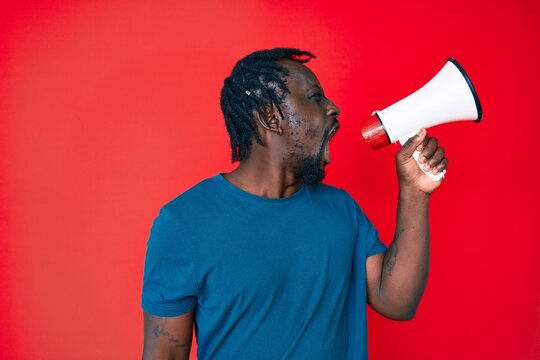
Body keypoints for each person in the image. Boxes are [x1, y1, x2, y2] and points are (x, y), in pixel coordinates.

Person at [141, 48, 448, 360]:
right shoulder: (184, 223)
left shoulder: (341, 210)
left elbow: (397, 302)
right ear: (270, 117)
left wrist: (415, 193)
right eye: (314, 97)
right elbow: (164, 352)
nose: (333, 108)